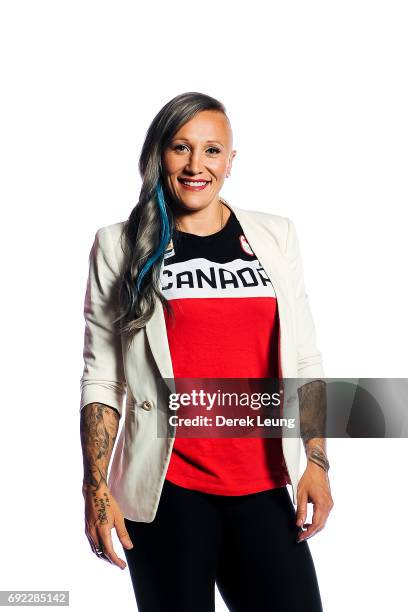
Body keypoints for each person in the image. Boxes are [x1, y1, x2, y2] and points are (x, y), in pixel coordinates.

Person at [79, 91, 334, 612]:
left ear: (231, 159)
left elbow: (304, 361)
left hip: (265, 484)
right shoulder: (120, 245)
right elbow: (103, 378)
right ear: (159, 156)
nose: (197, 165)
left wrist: (317, 461)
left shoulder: (274, 235)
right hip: (167, 492)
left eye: (212, 150)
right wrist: (96, 489)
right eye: (181, 148)